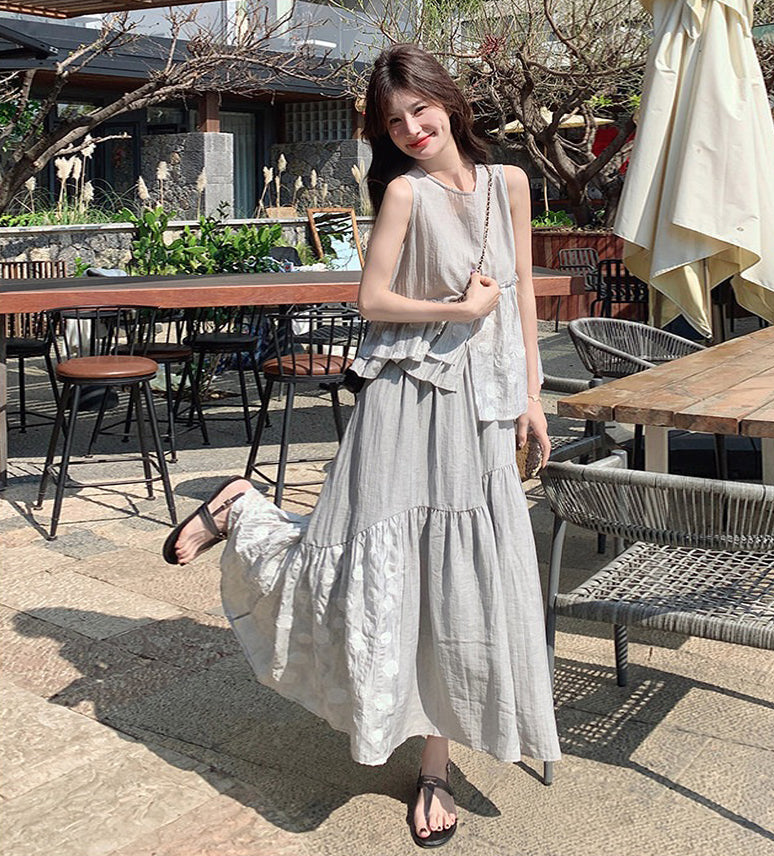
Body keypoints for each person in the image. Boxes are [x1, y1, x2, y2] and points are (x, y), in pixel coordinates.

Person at [162, 43, 561, 849]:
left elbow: (519, 297)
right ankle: (243, 514)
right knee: (353, 567)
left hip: (482, 411)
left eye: (420, 109)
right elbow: (371, 297)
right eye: (394, 121)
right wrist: (457, 312)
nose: (412, 128)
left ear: (448, 101)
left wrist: (531, 397)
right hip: (405, 400)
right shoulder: (406, 194)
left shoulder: (511, 184)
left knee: (460, 583)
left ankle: (435, 766)